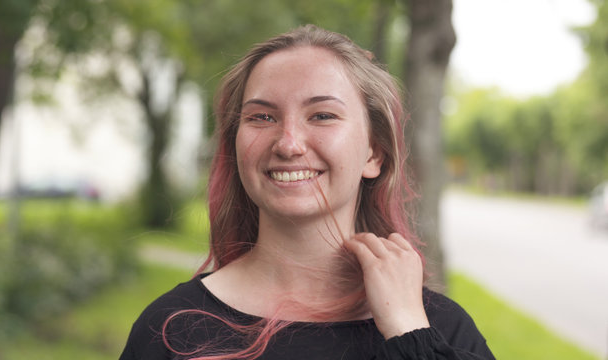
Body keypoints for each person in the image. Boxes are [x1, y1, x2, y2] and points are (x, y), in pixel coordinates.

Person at [120, 25, 495, 360]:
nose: (288, 144)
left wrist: (410, 335)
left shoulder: (441, 330)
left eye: (322, 115)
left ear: (374, 153)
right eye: (262, 117)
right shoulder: (171, 330)